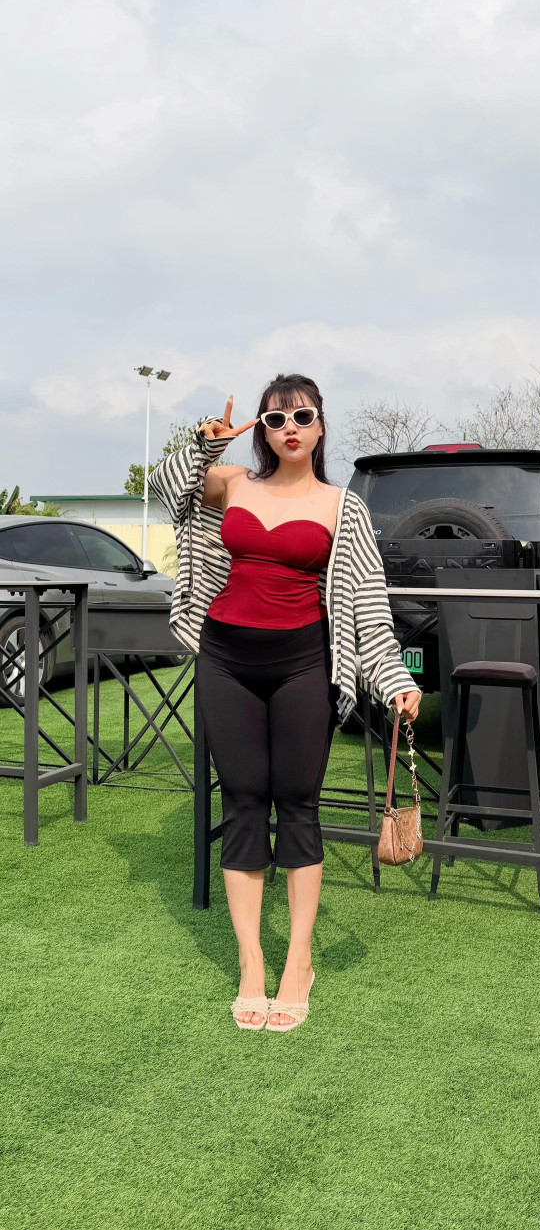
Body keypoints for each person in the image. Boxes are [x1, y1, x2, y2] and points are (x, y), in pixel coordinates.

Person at [150, 372, 422, 1031]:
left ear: (320, 426)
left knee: (297, 804)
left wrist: (392, 676)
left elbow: (366, 600)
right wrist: (206, 445)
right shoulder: (233, 482)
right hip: (225, 659)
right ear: (263, 432)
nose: (289, 428)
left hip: (304, 662)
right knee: (243, 802)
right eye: (275, 419)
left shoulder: (342, 506)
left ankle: (298, 961)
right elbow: (162, 490)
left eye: (301, 416)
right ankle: (251, 964)